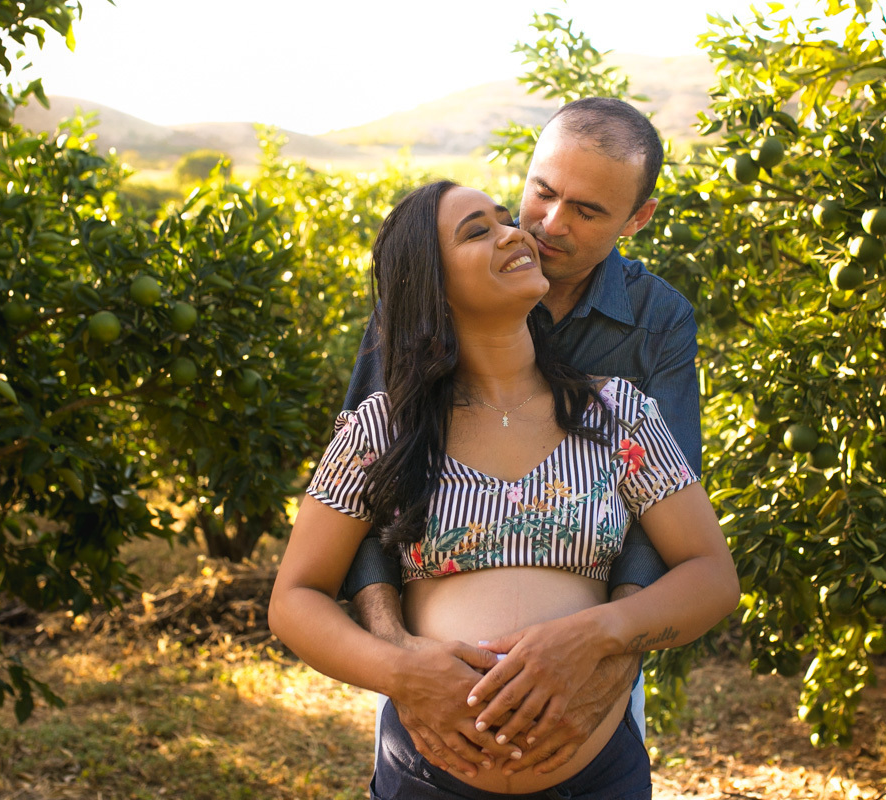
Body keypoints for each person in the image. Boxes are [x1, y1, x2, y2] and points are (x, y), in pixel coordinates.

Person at [267, 179, 739, 798]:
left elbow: (711, 576)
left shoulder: (617, 413)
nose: (516, 233)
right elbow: (295, 597)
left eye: (503, 218)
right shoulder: (384, 428)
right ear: (430, 288)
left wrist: (599, 633)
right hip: (428, 778)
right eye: (477, 231)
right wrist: (403, 672)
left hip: (595, 778)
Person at [341, 98, 702, 778]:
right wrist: (398, 658)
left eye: (588, 211)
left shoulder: (658, 323)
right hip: (427, 677)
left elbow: (671, 517)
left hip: (598, 661)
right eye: (542, 192)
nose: (550, 225)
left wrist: (608, 662)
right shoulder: (428, 294)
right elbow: (363, 486)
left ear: (638, 219)